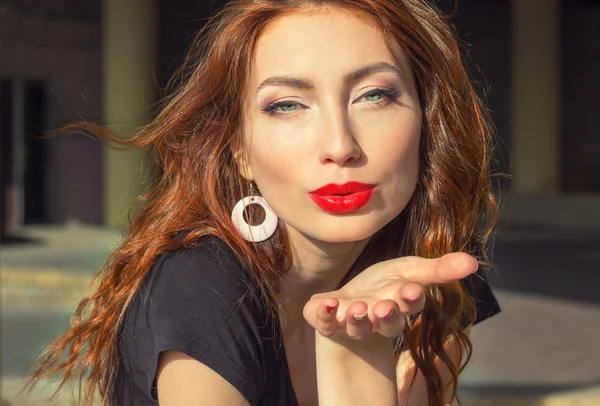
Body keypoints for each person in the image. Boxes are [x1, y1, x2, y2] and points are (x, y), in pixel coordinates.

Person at [27, 0, 501, 405]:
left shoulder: (434, 262)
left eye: (374, 95)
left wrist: (357, 353)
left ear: (428, 120)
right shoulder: (201, 289)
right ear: (241, 152)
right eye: (287, 105)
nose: (339, 145)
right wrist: (352, 357)